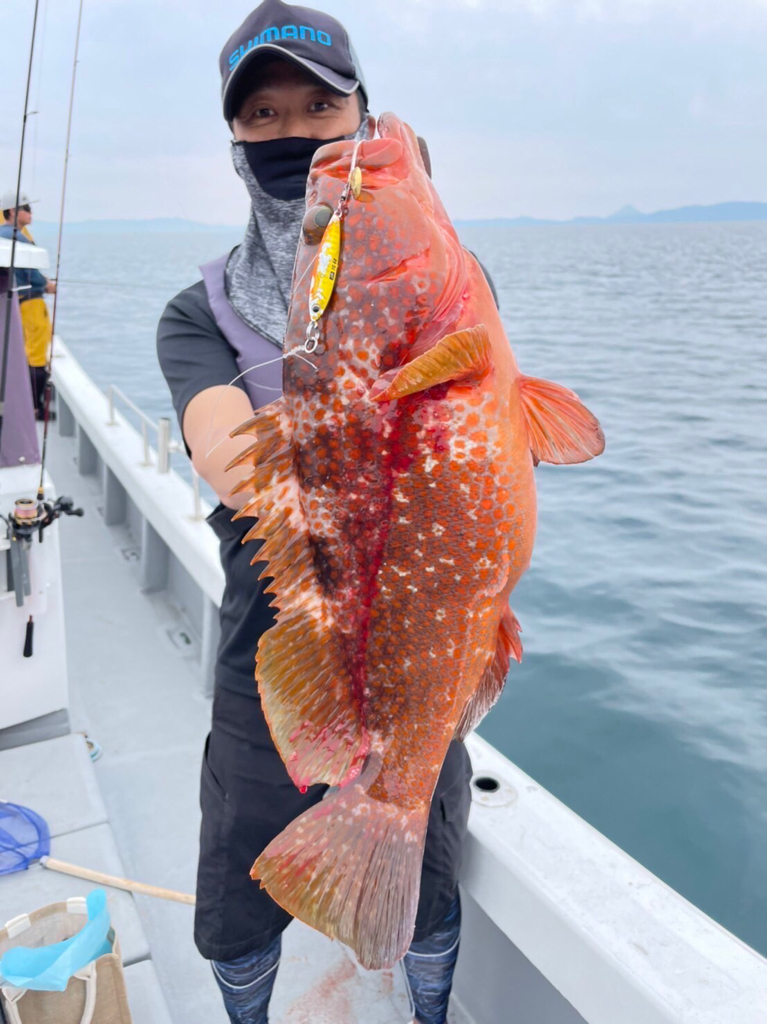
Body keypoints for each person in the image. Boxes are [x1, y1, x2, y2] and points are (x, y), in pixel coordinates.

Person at [157, 3, 471, 1022]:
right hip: (279, 646)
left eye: (318, 107)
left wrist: (396, 228)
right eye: (260, 113)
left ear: (365, 120)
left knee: (426, 866)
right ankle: (246, 1005)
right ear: (234, 138)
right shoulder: (199, 312)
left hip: (426, 638)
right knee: (235, 880)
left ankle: (427, 1003)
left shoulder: (441, 293)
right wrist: (332, 429)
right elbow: (219, 448)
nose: (290, 132)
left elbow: (482, 430)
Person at [0, 191, 56, 420]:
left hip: (13, 305)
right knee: (36, 356)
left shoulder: (2, 235)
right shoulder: (16, 237)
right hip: (30, 303)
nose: (31, 213)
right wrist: (47, 285)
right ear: (13, 212)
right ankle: (35, 407)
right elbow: (31, 275)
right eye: (27, 209)